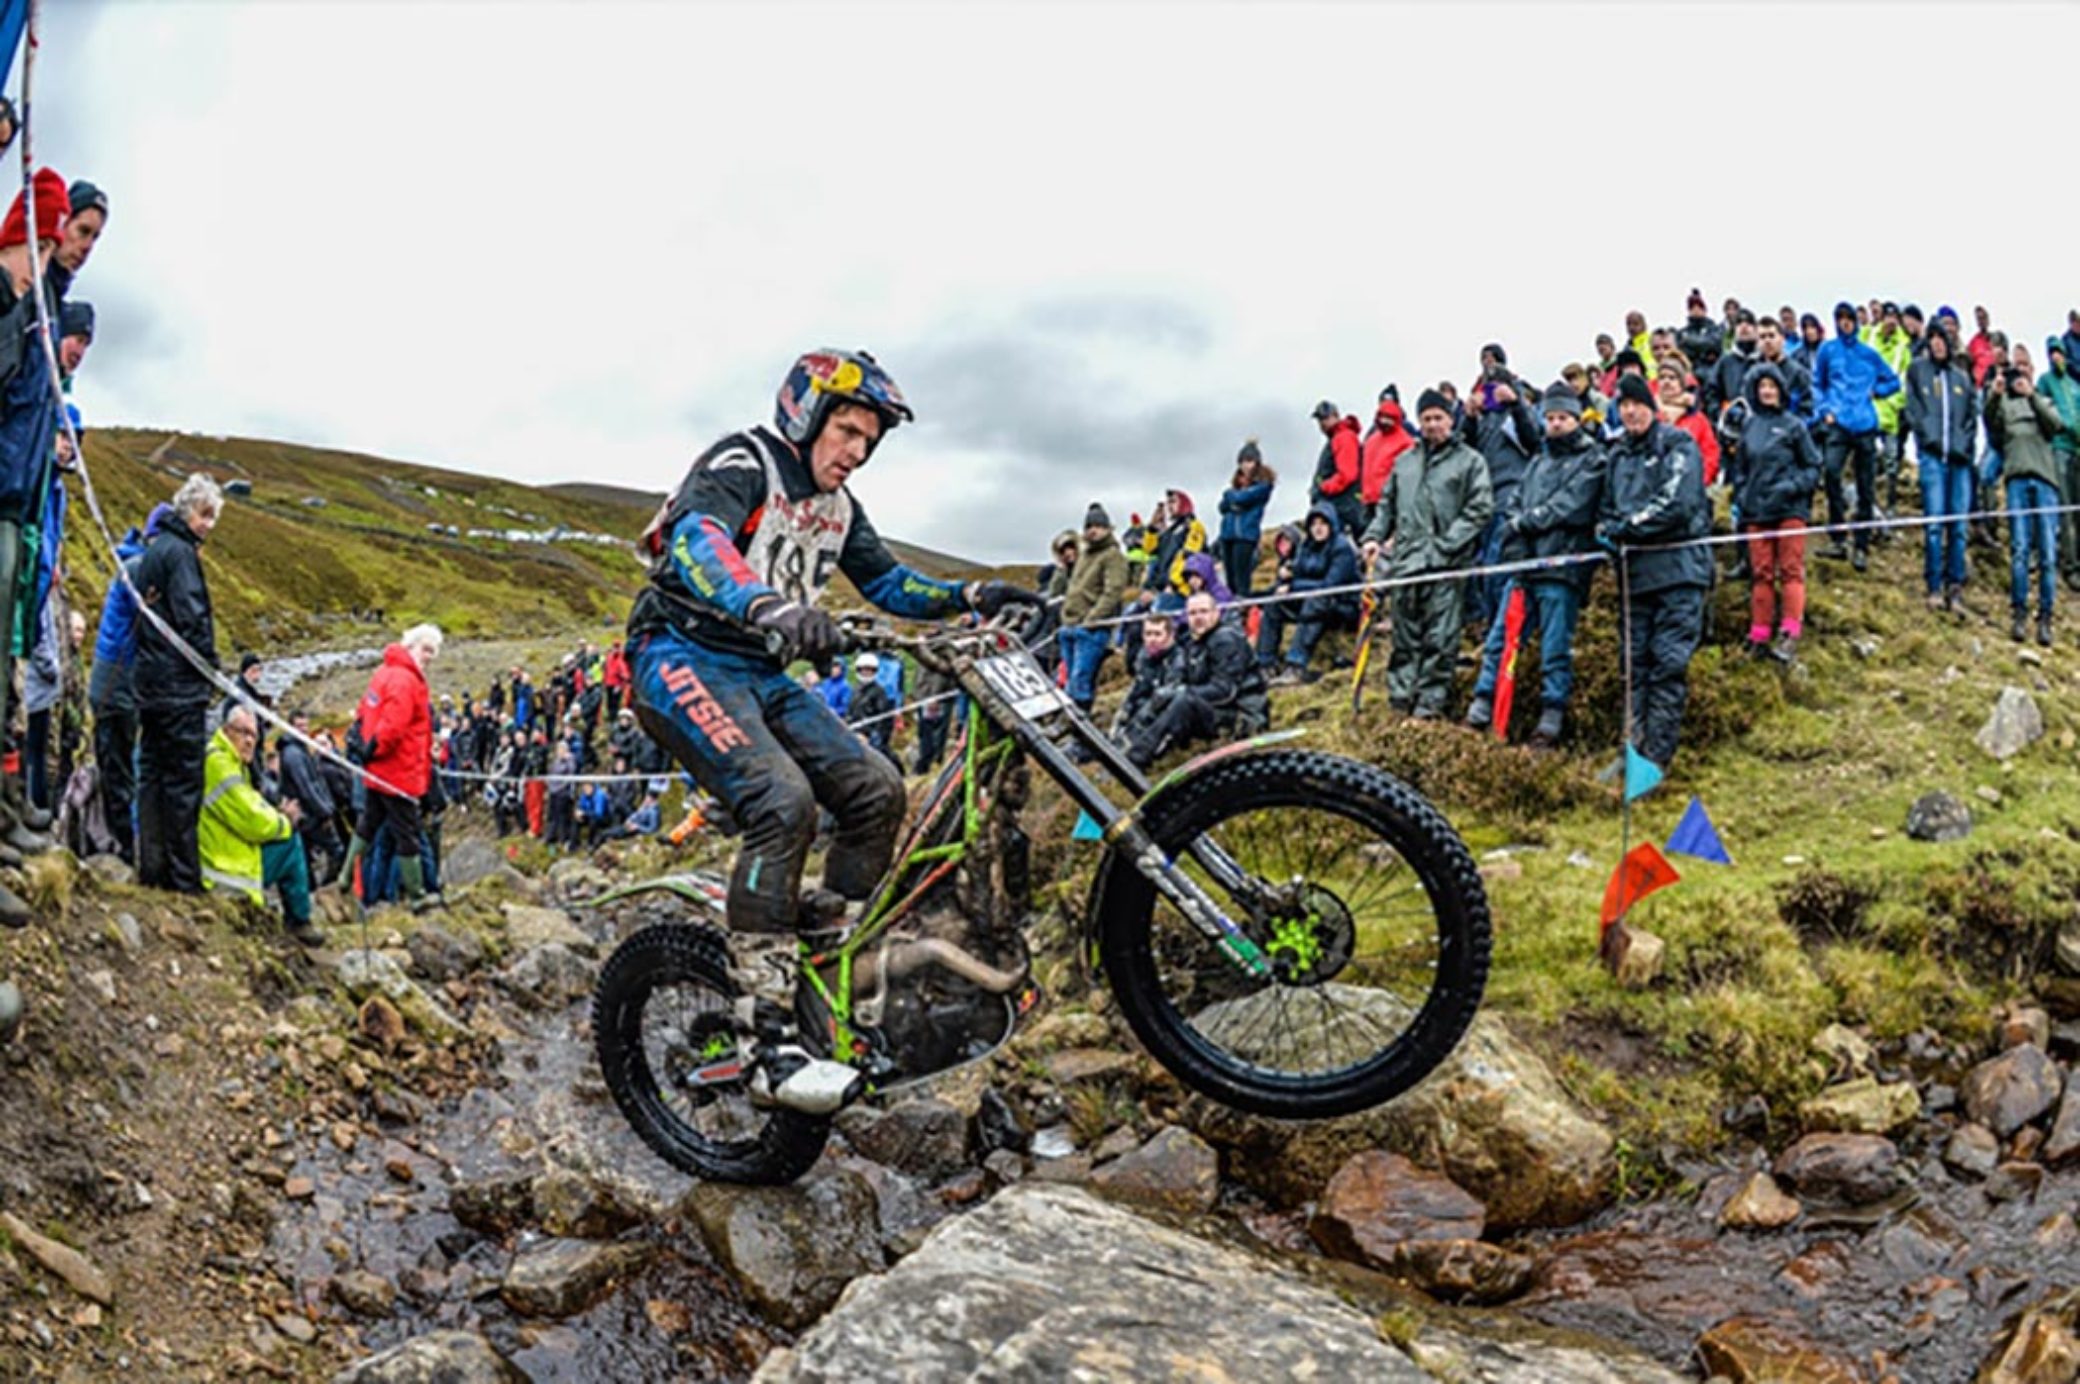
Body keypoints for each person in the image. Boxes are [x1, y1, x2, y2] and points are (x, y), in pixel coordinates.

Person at [624, 348, 1040, 1113]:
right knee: (782, 805)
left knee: (877, 791)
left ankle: (825, 962)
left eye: (868, 443)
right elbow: (697, 540)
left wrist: (972, 594)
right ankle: (767, 1038)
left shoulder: (838, 508)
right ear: (806, 415)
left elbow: (886, 581)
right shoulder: (742, 460)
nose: (856, 452)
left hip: (761, 668)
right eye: (847, 431)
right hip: (677, 654)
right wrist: (768, 606)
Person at [1466, 385, 1606, 746]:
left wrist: (1526, 522)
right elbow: (1512, 507)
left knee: (1555, 647)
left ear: (1576, 419)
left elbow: (1571, 506)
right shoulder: (1537, 462)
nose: (1556, 424)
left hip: (1562, 569)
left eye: (1562, 417)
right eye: (1551, 418)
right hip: (1525, 568)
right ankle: (1482, 704)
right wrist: (1518, 531)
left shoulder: (1593, 459)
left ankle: (1551, 717)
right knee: (1499, 639)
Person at [1600, 373, 1713, 771]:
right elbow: (1607, 510)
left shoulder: (1677, 443)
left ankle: (1656, 759)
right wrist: (1608, 532)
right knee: (1633, 666)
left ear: (1651, 407)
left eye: (1636, 404)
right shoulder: (1616, 456)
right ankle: (1632, 750)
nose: (1630, 412)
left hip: (1679, 572)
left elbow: (1677, 502)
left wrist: (1626, 528)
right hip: (1635, 577)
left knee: (1667, 664)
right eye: (1623, 405)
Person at [1360, 389, 1494, 719]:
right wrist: (1375, 536)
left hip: (1446, 565)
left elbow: (1480, 508)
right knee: (1404, 638)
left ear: (1450, 420)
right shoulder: (1404, 462)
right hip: (1406, 563)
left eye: (1438, 418)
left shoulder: (1470, 461)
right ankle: (1400, 701)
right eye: (1426, 419)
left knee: (1441, 639)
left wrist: (1447, 544)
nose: (1433, 424)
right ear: (1418, 422)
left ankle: (1429, 706)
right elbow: (1386, 505)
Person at [135, 474, 225, 894]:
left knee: (151, 775)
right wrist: (211, 669)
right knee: (184, 783)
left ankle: (151, 870)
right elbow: (193, 619)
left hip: (149, 684)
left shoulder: (152, 552)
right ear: (186, 509)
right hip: (180, 687)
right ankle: (185, 880)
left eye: (212, 517)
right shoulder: (182, 555)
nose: (207, 524)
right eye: (204, 514)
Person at [338, 624, 443, 908]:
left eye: (431, 654)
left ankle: (345, 877)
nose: (427, 659)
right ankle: (418, 896)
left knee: (368, 825)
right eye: (425, 650)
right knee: (407, 834)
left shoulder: (383, 672)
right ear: (411, 645)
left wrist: (365, 747)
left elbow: (365, 711)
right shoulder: (406, 679)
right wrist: (376, 748)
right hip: (399, 773)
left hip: (378, 772)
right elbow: (393, 727)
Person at [1723, 365, 1822, 660]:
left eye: (1772, 386)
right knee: (1761, 573)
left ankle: (1790, 632)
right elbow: (1740, 469)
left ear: (1781, 390)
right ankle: (1759, 633)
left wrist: (1791, 488)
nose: (1767, 391)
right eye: (1762, 386)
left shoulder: (1794, 426)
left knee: (1790, 570)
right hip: (1756, 512)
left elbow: (1812, 466)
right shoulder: (1749, 428)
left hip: (1790, 509)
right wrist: (1742, 496)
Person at [200, 706, 319, 946]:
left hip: (226, 856)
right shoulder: (220, 764)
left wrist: (277, 815)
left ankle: (298, 918)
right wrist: (285, 821)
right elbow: (251, 819)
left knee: (289, 841)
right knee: (291, 843)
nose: (249, 741)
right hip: (225, 870)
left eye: (253, 735)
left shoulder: (228, 760)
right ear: (226, 730)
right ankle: (299, 922)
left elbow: (252, 803)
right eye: (243, 733)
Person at [89, 504, 166, 864]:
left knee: (119, 765)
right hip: (115, 682)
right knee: (119, 770)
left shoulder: (134, 562)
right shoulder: (137, 569)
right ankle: (122, 847)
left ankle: (120, 841)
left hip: (117, 680)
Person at [1123, 592, 1267, 769]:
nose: (1198, 618)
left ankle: (1135, 758)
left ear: (1216, 613)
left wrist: (1181, 691)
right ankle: (1123, 746)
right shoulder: (1193, 643)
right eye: (1192, 613)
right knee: (1163, 696)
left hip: (1241, 715)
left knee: (1184, 700)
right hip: (1213, 711)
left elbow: (1226, 690)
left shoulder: (1226, 640)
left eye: (1203, 612)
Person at [1812, 301, 1902, 570]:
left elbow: (1893, 381)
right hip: (1838, 423)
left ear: (1855, 321)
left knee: (1866, 486)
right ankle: (1838, 538)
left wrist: (1877, 392)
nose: (1845, 323)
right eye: (1839, 319)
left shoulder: (1869, 354)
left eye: (1848, 318)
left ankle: (1861, 545)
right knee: (1831, 472)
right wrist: (1825, 410)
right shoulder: (1828, 350)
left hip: (1865, 425)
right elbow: (1818, 383)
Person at [1984, 365, 2068, 646]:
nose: (2016, 381)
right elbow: (1991, 428)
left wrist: (2031, 396)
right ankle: (2019, 613)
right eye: (2012, 378)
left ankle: (2045, 617)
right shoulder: (2004, 405)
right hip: (2016, 480)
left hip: (2045, 482)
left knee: (2047, 554)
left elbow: (2055, 425)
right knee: (2019, 549)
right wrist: (1995, 396)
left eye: (2020, 376)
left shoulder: (2042, 400)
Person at [1904, 325, 1980, 612]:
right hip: (1933, 457)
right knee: (1934, 524)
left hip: (1959, 461)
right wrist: (1926, 436)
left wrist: (1965, 444)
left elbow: (1972, 416)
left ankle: (1955, 587)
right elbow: (1912, 407)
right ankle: (1934, 586)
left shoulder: (1961, 378)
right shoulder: (1918, 371)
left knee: (1958, 527)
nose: (1937, 345)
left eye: (1941, 340)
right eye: (1932, 340)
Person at [1256, 501, 1359, 684]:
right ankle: (1265, 665)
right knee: (1274, 604)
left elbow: (1330, 587)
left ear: (1331, 524)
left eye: (1323, 523)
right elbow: (1295, 575)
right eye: (1314, 524)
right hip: (1309, 599)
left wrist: (1294, 586)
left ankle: (1296, 665)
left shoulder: (1342, 548)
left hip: (1343, 605)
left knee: (1316, 602)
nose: (1318, 528)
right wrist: (1283, 581)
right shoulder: (1306, 547)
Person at [1056, 503, 1130, 712]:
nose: (1093, 530)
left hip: (1091, 628)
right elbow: (1072, 586)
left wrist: (1092, 619)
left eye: (1098, 525)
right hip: (1070, 624)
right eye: (1089, 526)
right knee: (1071, 679)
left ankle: (1081, 724)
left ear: (1107, 528)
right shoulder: (1085, 556)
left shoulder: (1113, 556)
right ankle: (1074, 723)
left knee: (1080, 681)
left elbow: (1113, 591)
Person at [279, 710, 342, 884]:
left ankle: (314, 891)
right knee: (336, 851)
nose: (304, 730)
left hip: (306, 814)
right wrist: (325, 811)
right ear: (290, 727)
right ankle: (329, 890)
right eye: (299, 726)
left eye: (306, 726)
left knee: (306, 857)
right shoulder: (294, 754)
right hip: (308, 814)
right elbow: (306, 787)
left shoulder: (299, 749)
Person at [1863, 302, 1915, 511]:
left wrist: (1891, 403)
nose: (1891, 321)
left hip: (1890, 416)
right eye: (1888, 316)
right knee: (1867, 462)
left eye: (1895, 317)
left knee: (1891, 463)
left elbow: (1904, 384)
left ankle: (1890, 507)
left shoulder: (1904, 347)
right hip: (1866, 412)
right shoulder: (1867, 337)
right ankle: (1868, 505)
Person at [2039, 340, 2080, 594]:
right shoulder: (2045, 381)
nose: (2057, 357)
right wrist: (2063, 426)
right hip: (2059, 448)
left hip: (2077, 450)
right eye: (2052, 353)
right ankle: (2070, 564)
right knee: (2065, 509)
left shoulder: (2075, 386)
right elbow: (2044, 409)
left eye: (2059, 353)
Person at [1215, 443, 1274, 597]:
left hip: (1245, 536)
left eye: (1249, 461)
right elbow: (1222, 507)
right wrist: (1233, 500)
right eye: (1243, 461)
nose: (1246, 465)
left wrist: (1232, 498)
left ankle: (1244, 609)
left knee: (1242, 579)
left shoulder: (1263, 485)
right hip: (1228, 535)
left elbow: (1241, 498)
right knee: (1231, 579)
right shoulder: (1236, 486)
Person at [1114, 610, 1180, 742]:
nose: (1152, 639)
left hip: (1157, 723)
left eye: (1157, 634)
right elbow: (1136, 688)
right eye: (1148, 634)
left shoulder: (1178, 661)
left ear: (1171, 635)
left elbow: (1167, 697)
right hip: (1138, 714)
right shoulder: (1143, 656)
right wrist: (1123, 713)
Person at [1308, 400, 1363, 535]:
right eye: (1320, 419)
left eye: (1326, 417)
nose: (1322, 423)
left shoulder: (1343, 437)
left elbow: (1347, 475)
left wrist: (1323, 488)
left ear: (1336, 416)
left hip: (1343, 507)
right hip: (1339, 505)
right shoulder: (1337, 438)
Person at [1144, 490, 1205, 611]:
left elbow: (1188, 556)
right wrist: (1152, 528)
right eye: (1168, 503)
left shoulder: (1193, 526)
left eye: (1173, 502)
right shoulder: (1169, 532)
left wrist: (1173, 584)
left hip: (1181, 589)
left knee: (1159, 612)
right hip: (1162, 589)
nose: (1169, 506)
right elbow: (1149, 550)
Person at [849, 652, 897, 764]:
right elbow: (850, 713)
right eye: (863, 669)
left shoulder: (879, 692)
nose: (866, 672)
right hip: (855, 733)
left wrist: (869, 736)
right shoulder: (855, 690)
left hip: (872, 737)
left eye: (869, 670)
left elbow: (884, 720)